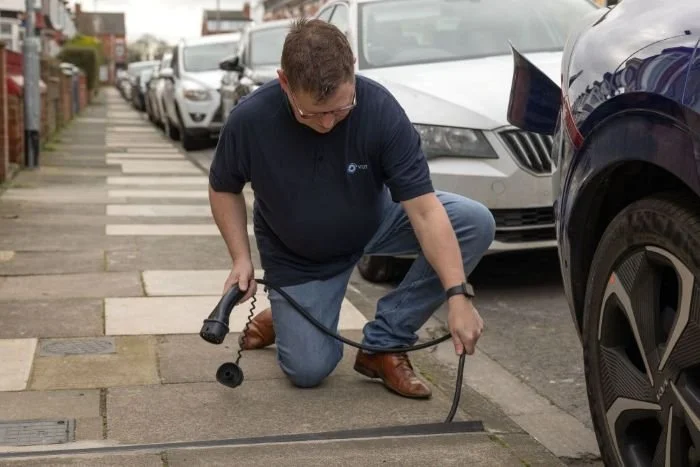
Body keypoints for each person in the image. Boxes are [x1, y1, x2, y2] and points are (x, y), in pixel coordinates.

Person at [208, 17, 496, 399]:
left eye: (340, 110)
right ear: (284, 83)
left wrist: (457, 295)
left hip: (376, 221)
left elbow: (425, 211)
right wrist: (240, 258)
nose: (327, 123)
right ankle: (291, 310)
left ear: (353, 71)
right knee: (309, 371)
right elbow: (223, 188)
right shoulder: (250, 120)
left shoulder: (379, 109)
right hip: (300, 256)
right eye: (313, 113)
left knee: (474, 221)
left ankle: (384, 343)